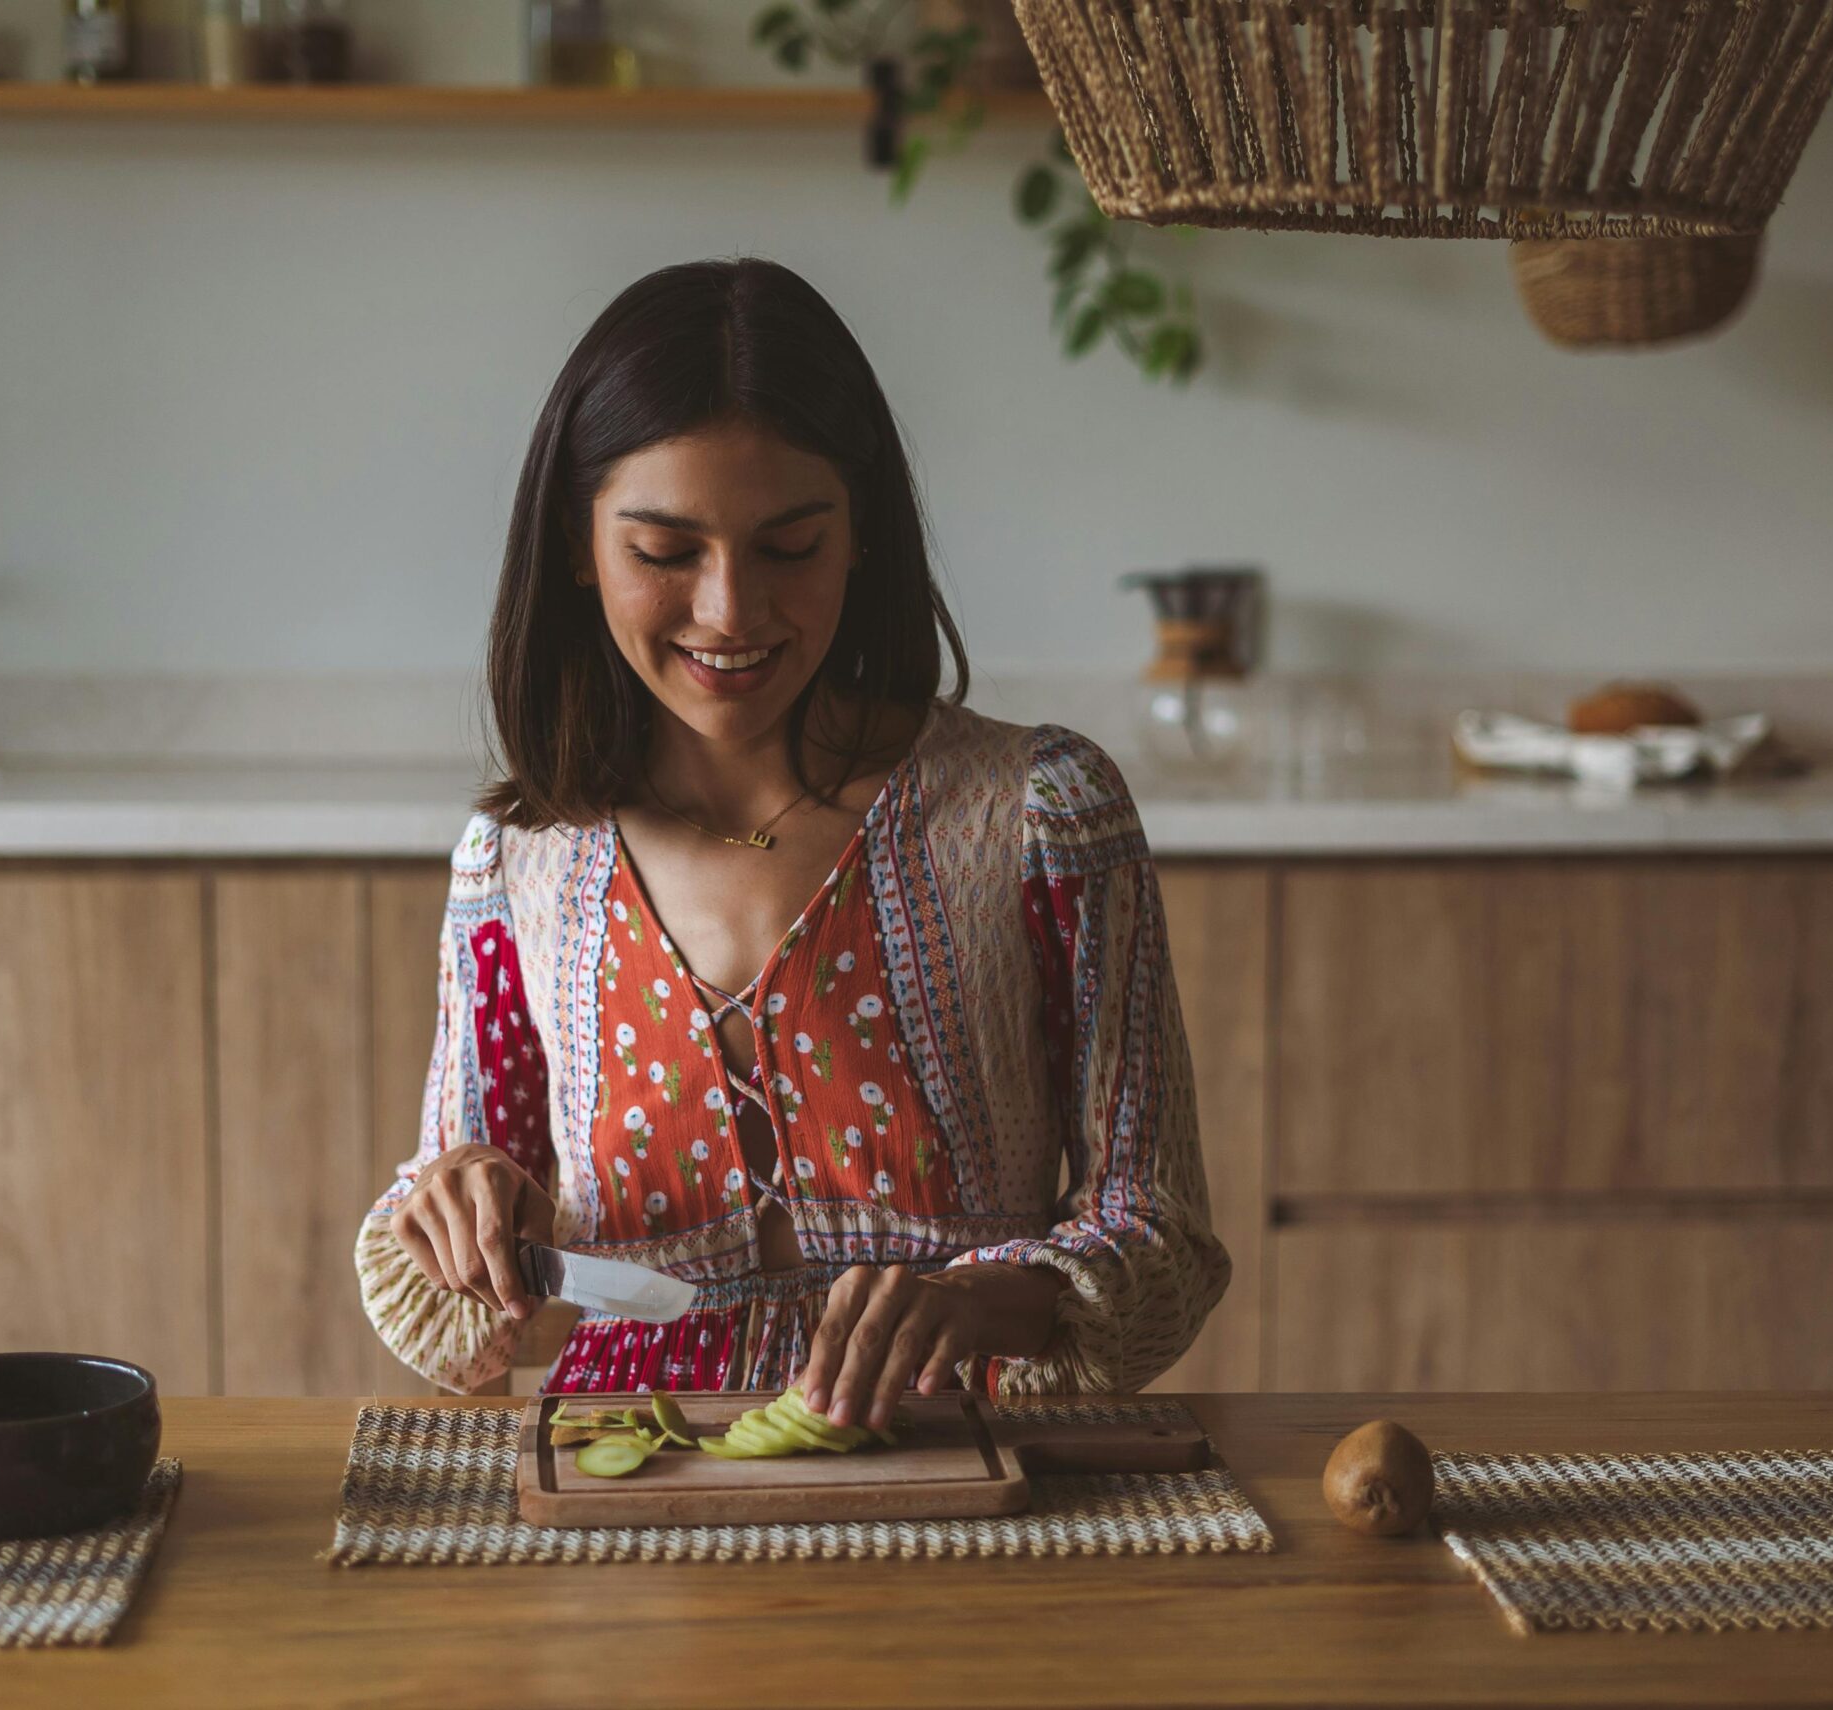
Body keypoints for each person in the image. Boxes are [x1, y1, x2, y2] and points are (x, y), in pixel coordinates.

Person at [356, 257, 1226, 1432]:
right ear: (575, 544)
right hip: (633, 1475)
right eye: (665, 553)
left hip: (956, 1458)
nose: (731, 611)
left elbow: (1160, 1229)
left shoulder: (1038, 814)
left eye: (790, 547)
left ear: (859, 535)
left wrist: (983, 1300)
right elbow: (464, 1296)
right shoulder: (519, 858)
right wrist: (451, 1201)